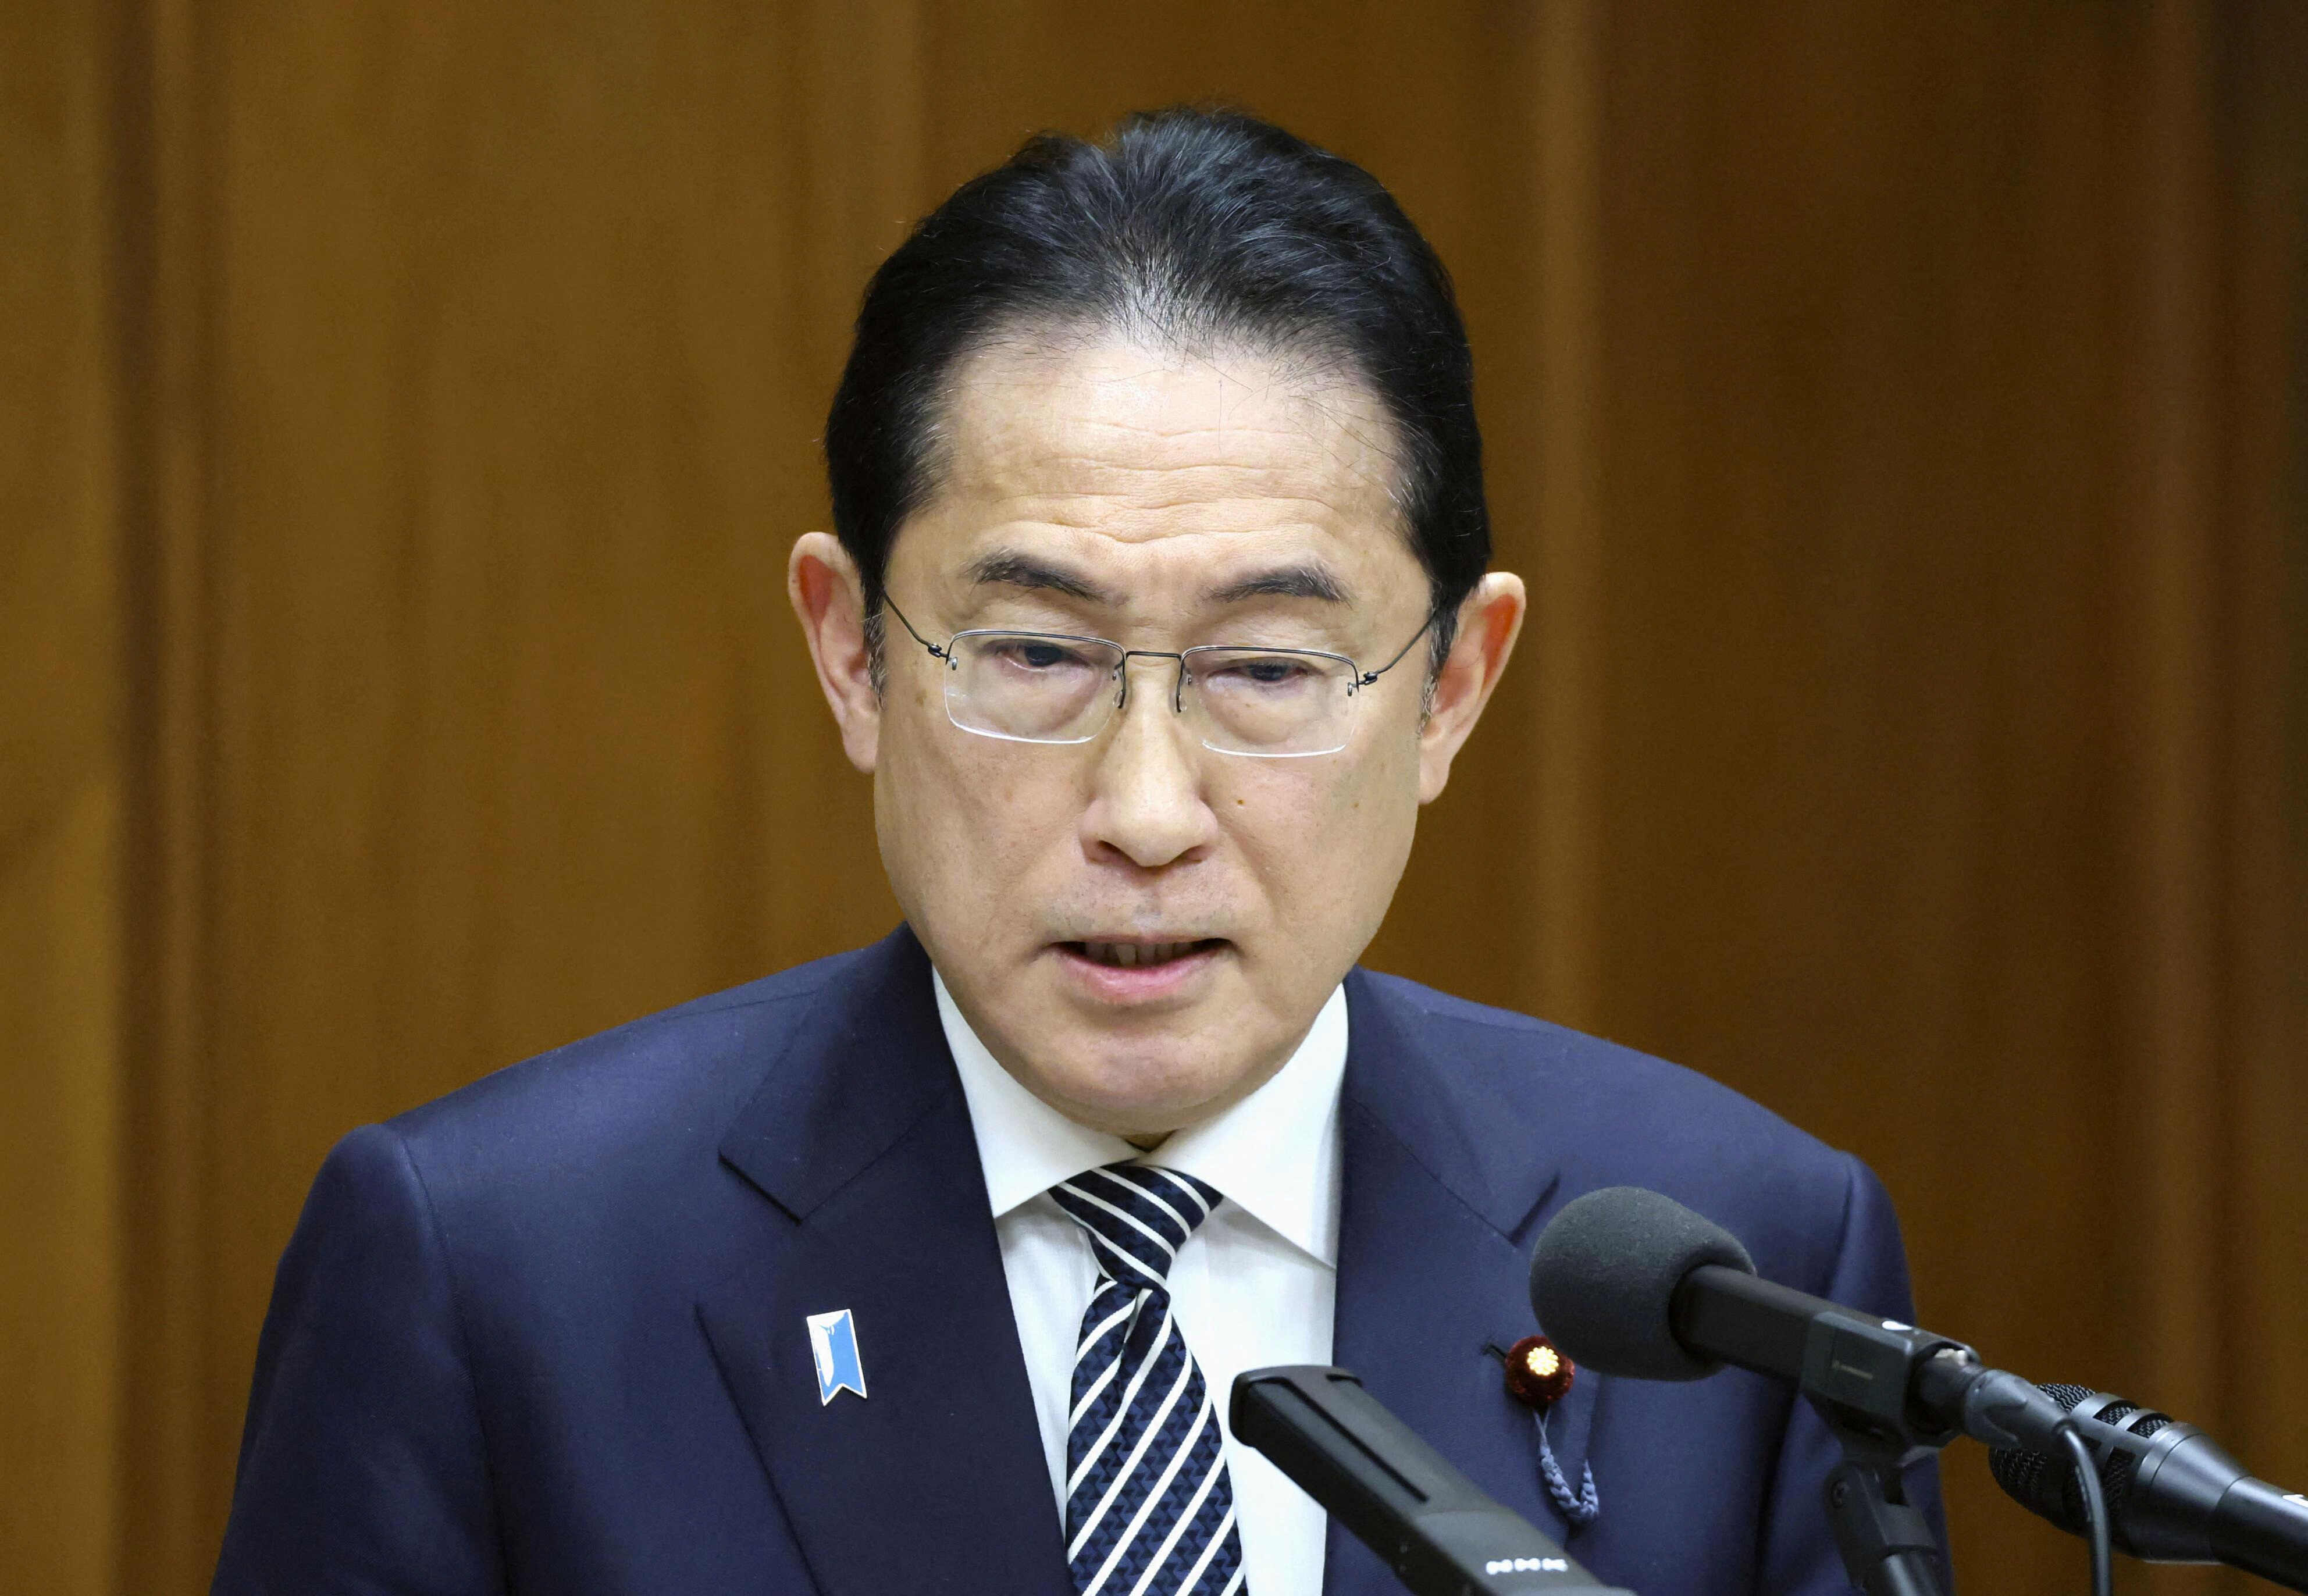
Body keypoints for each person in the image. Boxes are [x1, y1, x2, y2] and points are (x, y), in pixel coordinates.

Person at [212, 108, 1945, 1596]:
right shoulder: (497, 1274)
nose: (1147, 811)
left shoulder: (1745, 1274)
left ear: (1451, 689)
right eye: (1038, 653)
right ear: (853, 653)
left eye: (1267, 670)